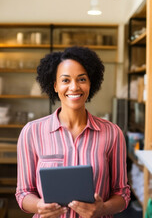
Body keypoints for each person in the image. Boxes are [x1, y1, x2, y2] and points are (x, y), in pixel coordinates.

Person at [16, 46, 130, 218]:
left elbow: (122, 193)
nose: (74, 87)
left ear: (91, 83)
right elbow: (23, 193)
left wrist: (103, 209)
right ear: (55, 86)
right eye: (66, 80)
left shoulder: (112, 133)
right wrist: (40, 205)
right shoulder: (32, 132)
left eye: (82, 79)